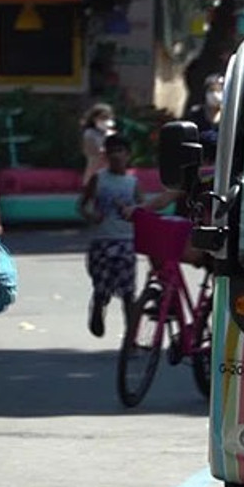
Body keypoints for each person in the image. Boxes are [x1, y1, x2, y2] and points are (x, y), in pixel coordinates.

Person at [78, 134, 146, 338]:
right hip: (102, 241)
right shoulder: (99, 179)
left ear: (128, 155)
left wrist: (133, 212)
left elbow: (143, 210)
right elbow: (83, 205)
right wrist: (91, 215)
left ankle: (131, 337)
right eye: (112, 151)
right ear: (106, 155)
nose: (117, 156)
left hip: (125, 242)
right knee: (102, 286)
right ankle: (98, 306)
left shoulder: (132, 183)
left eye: (121, 151)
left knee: (128, 293)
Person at [184, 73, 224, 156]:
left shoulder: (229, 116)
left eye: (219, 90)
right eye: (211, 90)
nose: (215, 95)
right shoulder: (196, 115)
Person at [80, 103, 117, 186]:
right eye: (103, 117)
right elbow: (100, 150)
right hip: (95, 172)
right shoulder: (90, 133)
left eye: (108, 117)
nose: (106, 120)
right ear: (94, 119)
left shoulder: (109, 133)